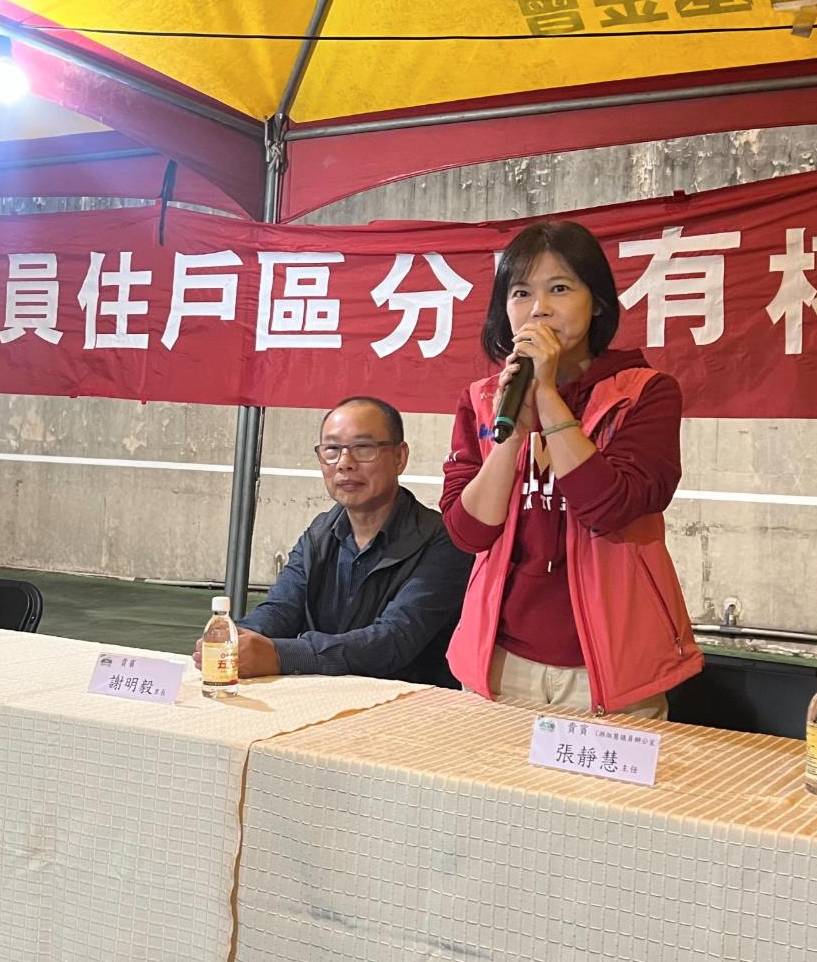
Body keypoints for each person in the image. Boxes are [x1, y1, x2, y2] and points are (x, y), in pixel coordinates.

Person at [440, 220, 702, 717]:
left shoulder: (644, 392)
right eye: (521, 293)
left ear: (597, 302)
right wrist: (512, 433)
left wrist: (548, 397)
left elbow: (610, 508)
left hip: (610, 667)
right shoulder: (483, 400)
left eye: (559, 288)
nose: (538, 308)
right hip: (499, 661)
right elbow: (468, 531)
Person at [197, 397, 469, 683]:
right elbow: (282, 608)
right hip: (325, 696)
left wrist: (281, 655)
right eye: (332, 449)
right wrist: (236, 639)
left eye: (363, 448)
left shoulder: (443, 541)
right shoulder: (321, 533)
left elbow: (393, 640)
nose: (344, 463)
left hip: (411, 702)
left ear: (400, 457)